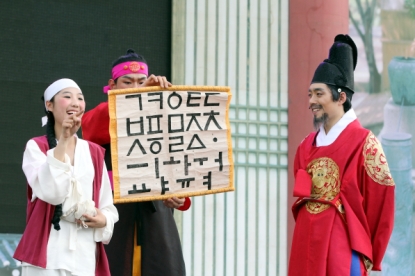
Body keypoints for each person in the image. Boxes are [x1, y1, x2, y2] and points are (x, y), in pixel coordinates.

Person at [288, 35, 395, 276]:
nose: (311, 102)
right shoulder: (305, 146)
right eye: (309, 95)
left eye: (319, 94)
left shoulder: (365, 143)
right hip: (305, 243)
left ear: (341, 97)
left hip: (343, 246)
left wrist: (369, 250)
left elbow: (382, 201)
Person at [82, 49, 191, 276]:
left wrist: (181, 196)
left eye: (141, 82)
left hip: (156, 217)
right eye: (127, 82)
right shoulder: (102, 115)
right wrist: (141, 98)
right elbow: (90, 128)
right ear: (112, 85)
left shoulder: (163, 119)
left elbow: (179, 165)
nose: (134, 87)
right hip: (115, 211)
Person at [14, 78, 119, 276]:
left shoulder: (95, 152)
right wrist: (63, 140)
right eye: (67, 96)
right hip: (48, 253)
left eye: (80, 98)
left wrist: (103, 219)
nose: (75, 102)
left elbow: (108, 206)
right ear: (49, 105)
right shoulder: (36, 147)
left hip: (85, 254)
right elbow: (52, 193)